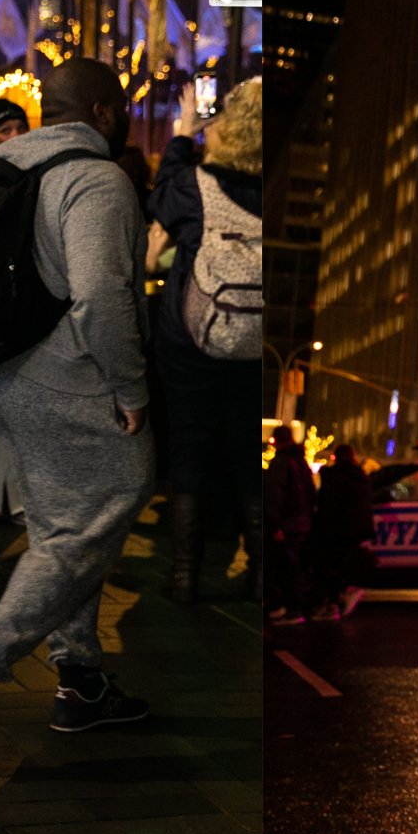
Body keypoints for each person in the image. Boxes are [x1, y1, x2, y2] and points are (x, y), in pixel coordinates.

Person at [0, 58, 155, 780]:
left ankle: (79, 679)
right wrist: (130, 388)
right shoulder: (96, 179)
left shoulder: (7, 169)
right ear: (105, 111)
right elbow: (102, 294)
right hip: (72, 380)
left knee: (59, 528)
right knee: (106, 507)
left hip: (2, 375)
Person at [149, 79, 264, 603]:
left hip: (192, 338)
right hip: (255, 345)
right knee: (246, 454)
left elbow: (161, 198)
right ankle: (263, 574)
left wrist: (182, 134)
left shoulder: (198, 184)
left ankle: (184, 577)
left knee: (189, 449)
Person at [309, 441, 376, 620]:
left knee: (328, 566)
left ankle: (334, 602)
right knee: (342, 565)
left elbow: (327, 506)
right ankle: (342, 594)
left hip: (335, 530)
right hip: (356, 531)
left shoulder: (333, 477)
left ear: (335, 458)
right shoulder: (361, 477)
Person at [263, 426, 317, 623]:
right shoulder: (301, 461)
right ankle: (293, 606)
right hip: (302, 523)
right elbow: (310, 493)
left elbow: (274, 496)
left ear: (275, 441)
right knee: (294, 566)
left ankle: (289, 608)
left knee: (284, 567)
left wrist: (274, 525)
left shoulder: (281, 463)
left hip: (287, 525)